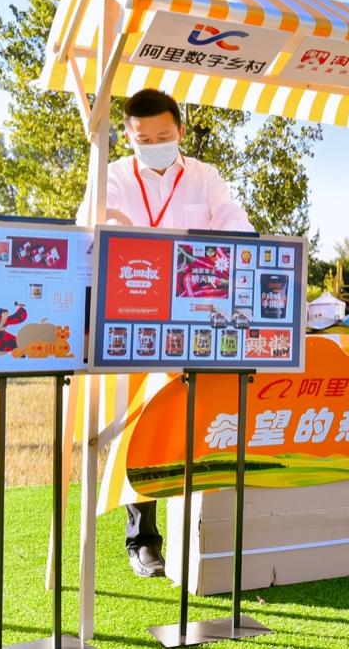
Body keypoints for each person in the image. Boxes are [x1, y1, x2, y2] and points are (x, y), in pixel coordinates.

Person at [89, 88, 254, 579]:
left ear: (179, 131)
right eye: (144, 139)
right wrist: (108, 222)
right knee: (139, 422)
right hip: (134, 314)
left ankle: (206, 532)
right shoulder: (115, 176)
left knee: (199, 417)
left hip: (197, 314)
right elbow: (92, 225)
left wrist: (233, 248)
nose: (155, 145)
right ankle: (142, 538)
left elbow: (236, 224)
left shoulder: (204, 176)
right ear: (129, 137)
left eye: (163, 136)